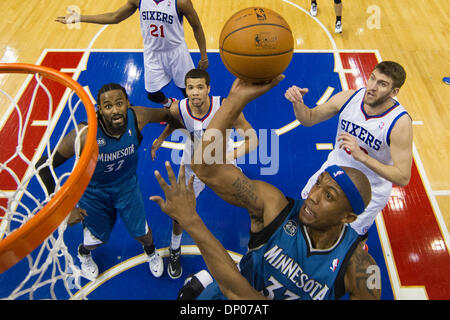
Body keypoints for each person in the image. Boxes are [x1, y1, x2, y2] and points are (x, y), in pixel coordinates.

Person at [151, 76, 381, 300]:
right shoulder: (275, 207)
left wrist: (191, 220)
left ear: (349, 217)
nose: (313, 196)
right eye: (317, 184)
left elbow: (242, 295)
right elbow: (203, 166)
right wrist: (235, 100)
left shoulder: (363, 270)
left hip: (236, 289)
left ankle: (201, 282)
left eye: (329, 196)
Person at [36, 83, 177, 280]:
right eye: (108, 106)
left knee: (142, 233)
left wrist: (165, 135)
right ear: (99, 110)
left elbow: (169, 115)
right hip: (95, 192)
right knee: (97, 240)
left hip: (127, 186)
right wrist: (63, 209)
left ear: (128, 103)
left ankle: (151, 251)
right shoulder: (84, 135)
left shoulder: (138, 116)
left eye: (119, 103)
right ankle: (83, 253)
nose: (115, 110)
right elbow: (43, 167)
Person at [150, 68, 259, 279]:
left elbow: (253, 140)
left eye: (200, 87)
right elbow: (174, 121)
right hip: (193, 165)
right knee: (181, 211)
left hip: (222, 163)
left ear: (208, 89)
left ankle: (255, 250)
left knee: (252, 201)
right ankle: (174, 249)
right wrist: (162, 138)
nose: (195, 93)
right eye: (190, 88)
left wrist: (228, 156)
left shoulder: (225, 107)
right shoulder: (178, 108)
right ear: (186, 90)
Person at [285, 60, 412, 236]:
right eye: (372, 78)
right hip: (333, 174)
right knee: (306, 219)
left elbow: (403, 177)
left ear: (394, 92)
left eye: (382, 84)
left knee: (344, 240)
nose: (372, 87)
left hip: (368, 189)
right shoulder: (349, 98)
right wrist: (297, 103)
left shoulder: (399, 123)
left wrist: (363, 157)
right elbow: (309, 118)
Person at [56, 0, 208, 108]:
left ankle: (196, 116)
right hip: (152, 53)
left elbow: (197, 27)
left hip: (176, 53)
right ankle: (170, 104)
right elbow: (114, 17)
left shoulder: (181, 2)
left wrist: (204, 56)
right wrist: (79, 18)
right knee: (152, 94)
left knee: (189, 92)